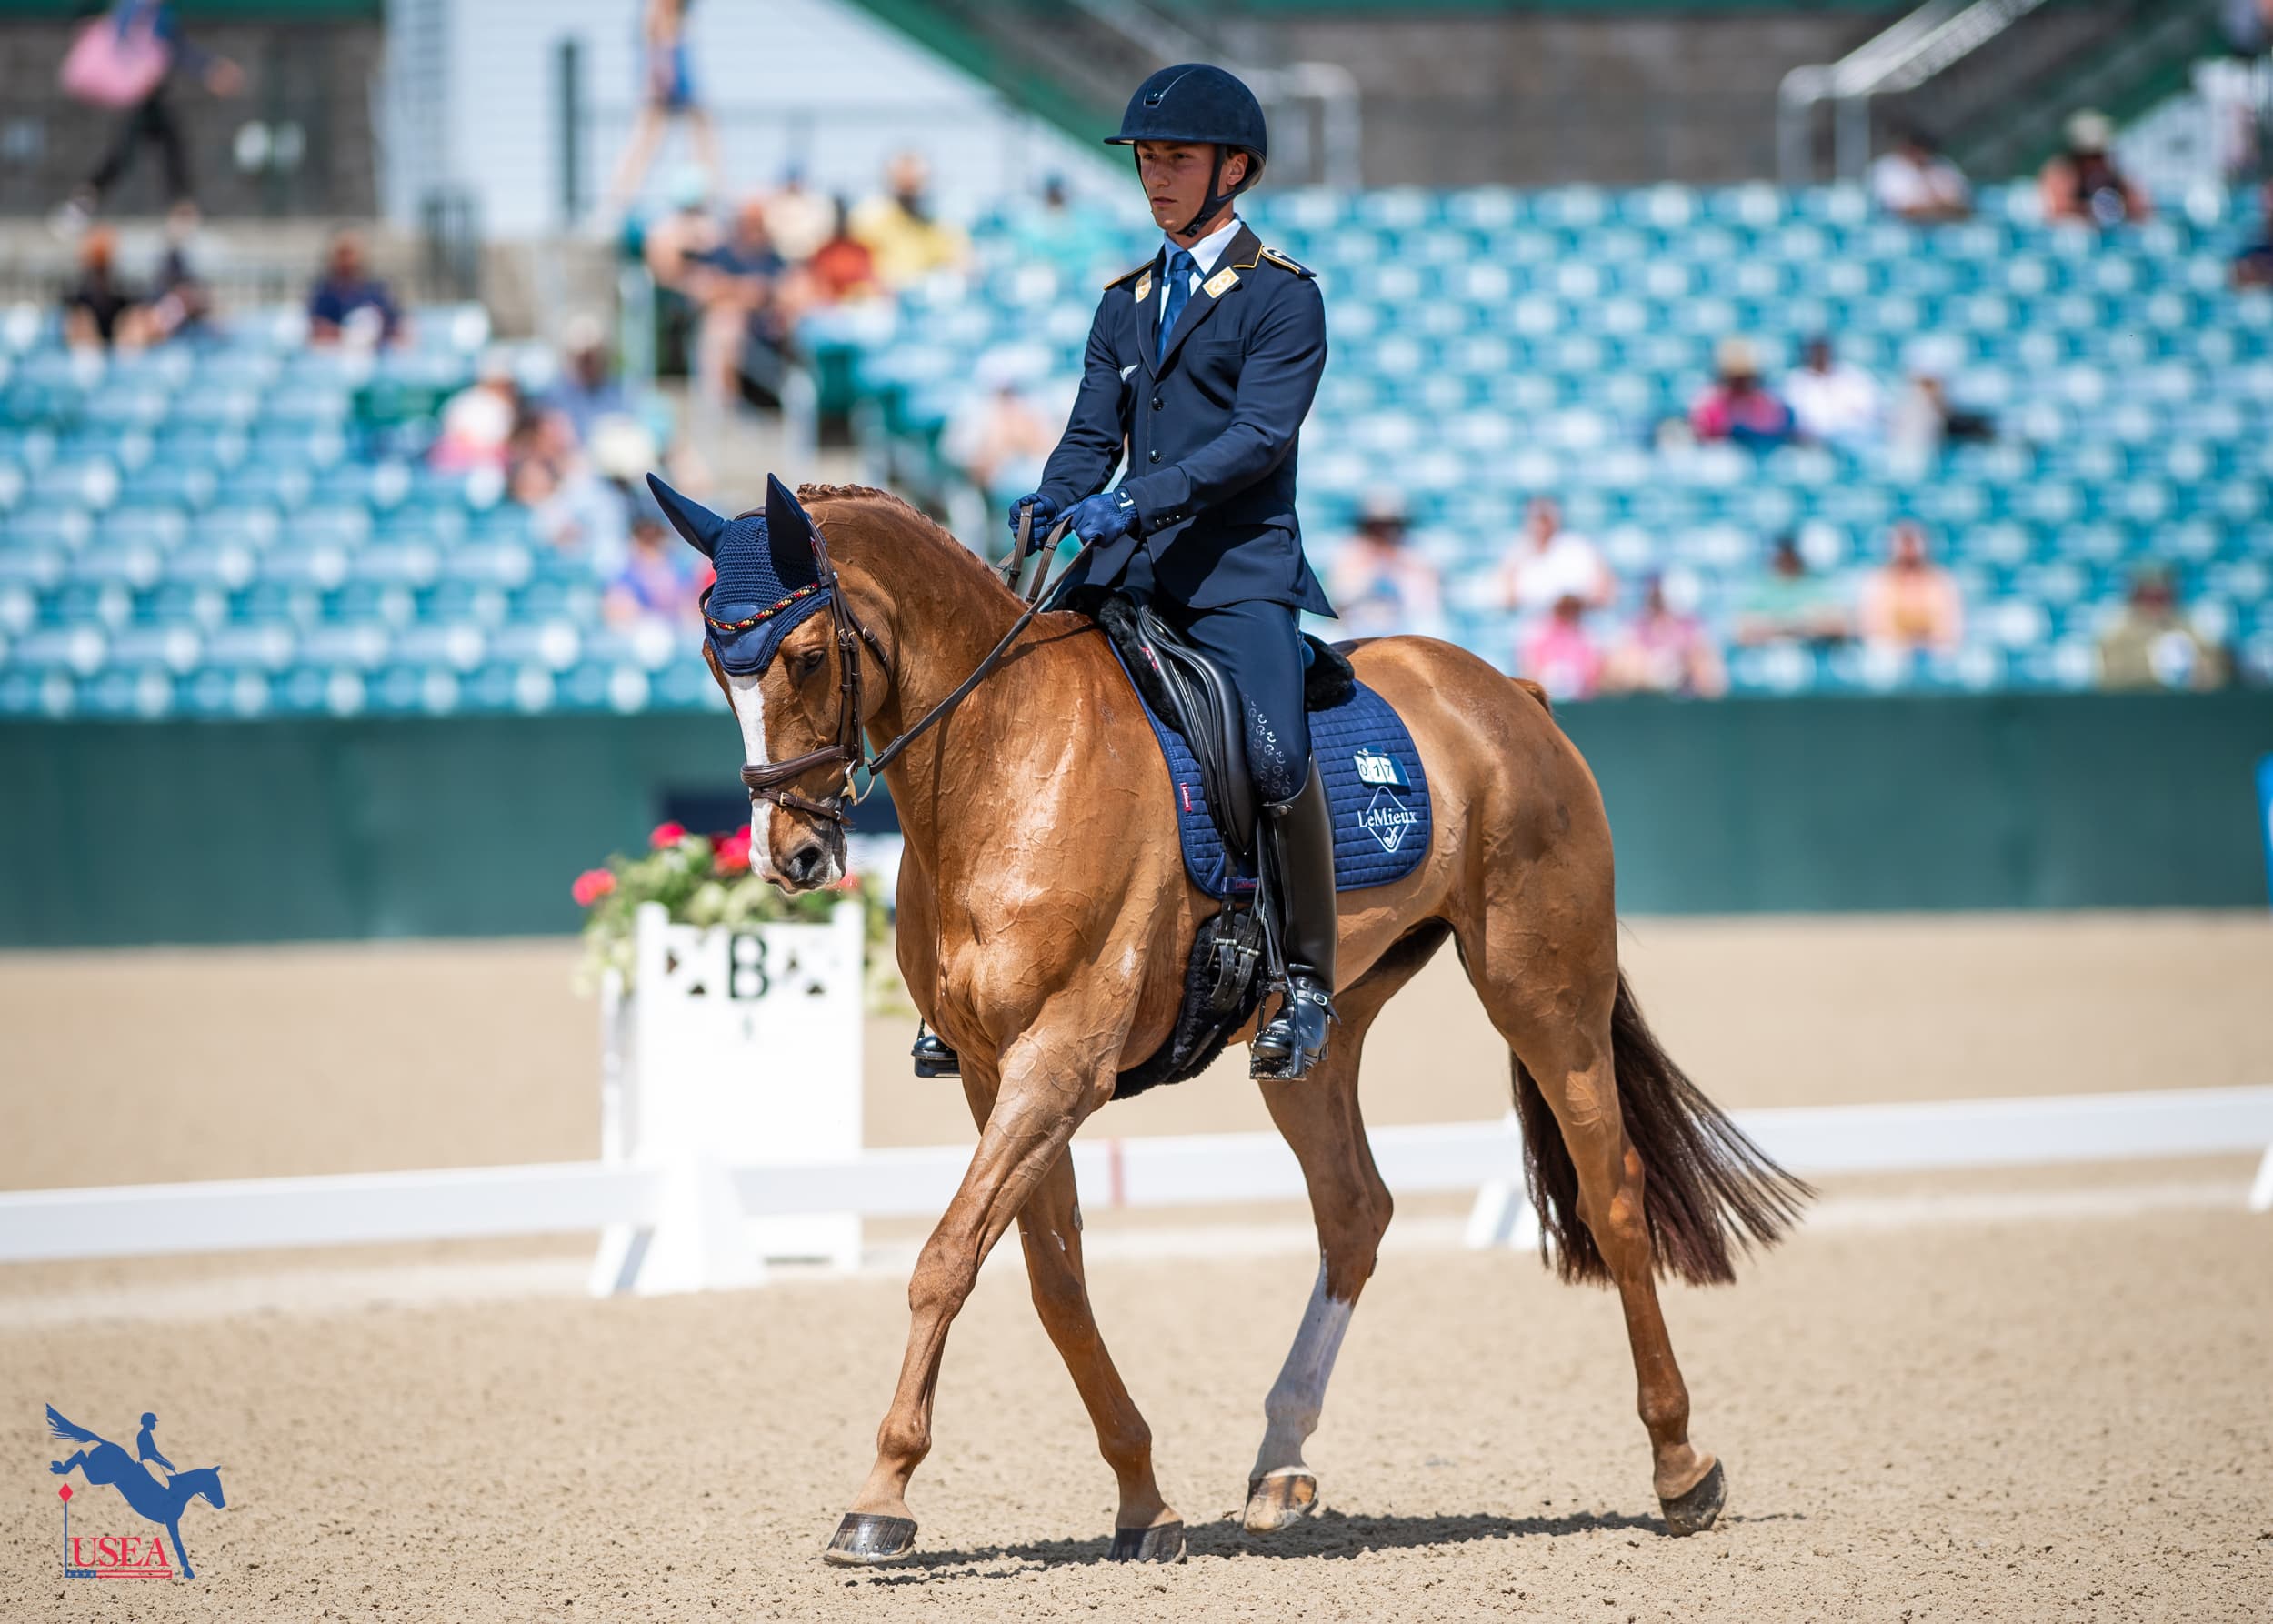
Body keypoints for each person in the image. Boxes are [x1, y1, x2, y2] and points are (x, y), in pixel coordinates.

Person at [1012, 65, 1338, 1081]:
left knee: (1276, 757)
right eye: (1147, 160)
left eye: (1177, 159)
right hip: (1128, 567)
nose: (1155, 177)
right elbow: (1088, 438)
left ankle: (1306, 979)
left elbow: (1256, 439)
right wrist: (1050, 499)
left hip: (1235, 570)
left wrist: (1135, 500)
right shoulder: (1125, 302)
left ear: (1232, 170)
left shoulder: (1282, 296)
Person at [54, 0, 243, 231]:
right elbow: (176, 47)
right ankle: (85, 201)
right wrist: (209, 69)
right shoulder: (149, 11)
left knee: (164, 146)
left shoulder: (132, 8)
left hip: (145, 94)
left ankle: (180, 209)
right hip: (141, 94)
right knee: (134, 151)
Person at [602, 0, 719, 217]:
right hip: (667, 73)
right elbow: (658, 38)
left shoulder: (676, 15)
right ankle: (617, 202)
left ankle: (711, 197)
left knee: (702, 139)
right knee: (646, 141)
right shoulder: (657, 12)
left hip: (676, 69)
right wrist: (660, 79)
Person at [941, 354, 1056, 530]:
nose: (1009, 398)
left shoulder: (1031, 409)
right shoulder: (973, 413)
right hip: (981, 489)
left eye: (1012, 391)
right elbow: (956, 456)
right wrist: (992, 453)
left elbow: (1049, 448)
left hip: (1028, 483)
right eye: (1003, 392)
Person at [1326, 489, 1445, 638]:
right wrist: (1371, 569)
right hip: (1357, 624)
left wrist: (1396, 567)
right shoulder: (1351, 551)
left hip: (1406, 623)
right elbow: (1341, 597)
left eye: (1389, 525)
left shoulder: (1413, 551)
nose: (1383, 531)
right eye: (1376, 525)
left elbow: (1427, 602)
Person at [2097, 564, 2228, 691]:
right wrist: (2154, 670)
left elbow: (2216, 671)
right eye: (2148, 598)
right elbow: (2109, 679)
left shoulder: (2187, 628)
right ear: (2136, 599)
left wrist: (2199, 672)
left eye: (2161, 598)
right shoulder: (2118, 635)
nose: (2155, 607)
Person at [849, 153, 971, 288]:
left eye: (915, 180)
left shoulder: (941, 226)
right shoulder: (869, 218)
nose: (909, 184)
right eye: (903, 178)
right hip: (881, 293)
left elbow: (964, 265)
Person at [1606, 575, 1727, 697]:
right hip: (1643, 701)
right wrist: (1648, 673)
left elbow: (1715, 683)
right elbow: (1616, 675)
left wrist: (1687, 667)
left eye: (1661, 600)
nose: (1658, 605)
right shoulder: (1636, 627)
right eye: (1656, 600)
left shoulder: (1693, 630)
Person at [1497, 496, 1614, 621]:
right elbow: (1506, 600)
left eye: (1545, 519)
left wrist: (1572, 605)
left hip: (1575, 622)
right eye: (1536, 519)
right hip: (1532, 624)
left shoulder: (1578, 547)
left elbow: (1603, 592)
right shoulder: (1517, 552)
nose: (1541, 525)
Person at [1858, 522, 1962, 653]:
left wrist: (1924, 642)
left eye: (1912, 542)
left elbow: (1948, 628)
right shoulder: (1878, 582)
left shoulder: (1940, 581)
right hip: (1892, 651)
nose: (1908, 549)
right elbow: (1874, 626)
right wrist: (1905, 643)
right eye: (1904, 542)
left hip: (1933, 651)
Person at [1734, 536, 1852, 648]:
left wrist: (1801, 625)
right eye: (1783, 554)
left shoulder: (1814, 585)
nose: (1787, 559)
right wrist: (1785, 626)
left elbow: (1839, 625)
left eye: (1790, 554)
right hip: (1768, 655)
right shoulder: (1762, 587)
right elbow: (1742, 630)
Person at [2039, 109, 2149, 227]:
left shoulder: (2111, 167)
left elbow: (2140, 208)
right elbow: (2056, 212)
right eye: (2093, 156)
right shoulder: (2062, 171)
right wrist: (2093, 210)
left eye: (2099, 155)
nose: (2097, 162)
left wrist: (2122, 206)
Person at [1689, 338, 1797, 450]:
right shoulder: (1710, 401)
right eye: (1735, 379)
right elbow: (1704, 432)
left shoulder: (1766, 402)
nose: (1740, 384)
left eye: (1745, 379)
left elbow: (1776, 427)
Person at [307, 229, 404, 348]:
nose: (347, 260)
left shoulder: (378, 292)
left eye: (350, 254)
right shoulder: (324, 293)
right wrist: (352, 335)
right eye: (342, 254)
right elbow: (318, 331)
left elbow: (397, 329)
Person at [1784, 336, 1882, 450]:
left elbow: (1871, 409)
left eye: (1823, 351)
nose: (1820, 356)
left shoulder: (1852, 375)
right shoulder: (1795, 381)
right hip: (1816, 443)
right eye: (1816, 352)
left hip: (1856, 437)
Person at [605, 510, 698, 627]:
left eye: (655, 537)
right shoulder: (627, 574)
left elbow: (693, 607)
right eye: (645, 538)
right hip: (642, 629)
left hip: (678, 628)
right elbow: (616, 609)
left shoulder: (680, 567)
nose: (651, 546)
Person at [60, 226, 147, 351]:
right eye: (97, 269)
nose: (100, 274)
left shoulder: (122, 297)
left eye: (103, 268)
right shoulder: (78, 303)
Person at [1869, 127, 1972, 223]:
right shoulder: (1888, 168)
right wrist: (1941, 208)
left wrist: (1934, 208)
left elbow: (1963, 206)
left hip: (1945, 229)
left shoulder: (1943, 165)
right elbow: (1902, 210)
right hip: (1898, 230)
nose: (1922, 155)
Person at [1519, 595, 1606, 702]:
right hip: (1546, 692)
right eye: (1564, 608)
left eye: (1572, 608)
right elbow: (1530, 664)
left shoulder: (1586, 635)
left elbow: (1594, 667)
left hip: (1579, 697)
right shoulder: (1540, 632)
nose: (1568, 612)